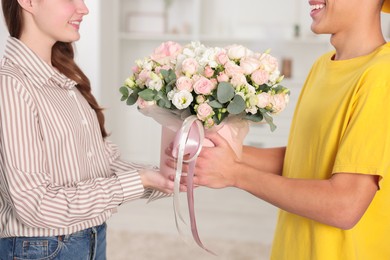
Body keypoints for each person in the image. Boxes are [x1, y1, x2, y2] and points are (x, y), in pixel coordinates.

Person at [184, 0, 390, 259]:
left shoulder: (383, 77)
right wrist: (220, 153)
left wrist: (235, 174)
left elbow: (345, 205)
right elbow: (305, 159)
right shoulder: (323, 66)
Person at [0, 0, 179, 259]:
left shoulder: (62, 79)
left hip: (90, 237)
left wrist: (162, 177)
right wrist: (139, 180)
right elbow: (35, 206)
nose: (83, 8)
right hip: (42, 248)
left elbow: (98, 165)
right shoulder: (11, 86)